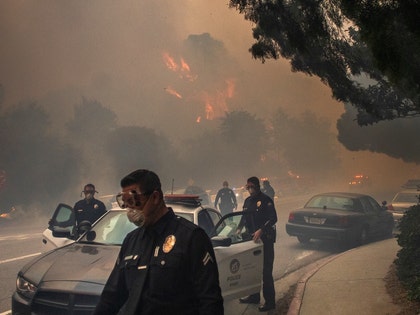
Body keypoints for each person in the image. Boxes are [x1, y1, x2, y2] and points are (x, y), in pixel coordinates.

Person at [93, 169, 224, 315]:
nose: (130, 210)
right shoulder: (131, 241)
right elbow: (111, 297)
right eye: (126, 204)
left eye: (134, 202)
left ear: (155, 197)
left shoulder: (191, 238)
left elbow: (210, 302)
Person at [239, 176, 277, 312]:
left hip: (265, 240)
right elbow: (244, 219)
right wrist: (237, 230)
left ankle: (270, 302)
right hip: (252, 242)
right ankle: (254, 296)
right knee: (252, 269)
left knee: (266, 272)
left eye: (251, 187)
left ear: (257, 186)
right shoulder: (247, 201)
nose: (249, 189)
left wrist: (261, 230)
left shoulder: (266, 200)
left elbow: (273, 218)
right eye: (247, 187)